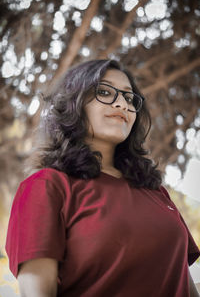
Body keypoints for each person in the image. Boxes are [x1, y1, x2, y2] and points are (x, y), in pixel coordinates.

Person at [6, 59, 200, 297]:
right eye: (105, 92)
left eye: (129, 98)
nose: (122, 104)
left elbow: (184, 283)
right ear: (74, 104)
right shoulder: (45, 186)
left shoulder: (156, 191)